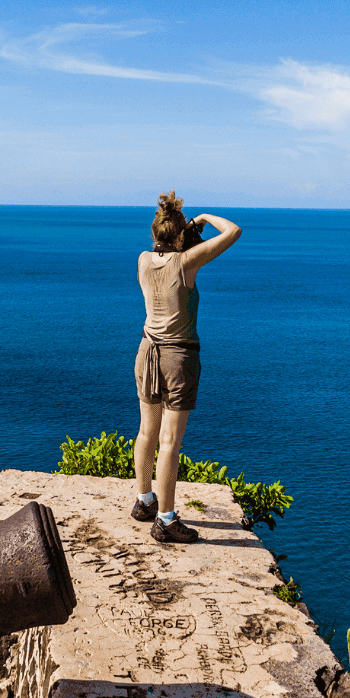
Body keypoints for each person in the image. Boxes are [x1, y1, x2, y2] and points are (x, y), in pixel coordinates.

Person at [130, 191, 241, 543]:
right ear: (180, 233)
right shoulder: (187, 262)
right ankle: (165, 520)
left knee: (146, 432)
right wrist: (203, 218)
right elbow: (233, 231)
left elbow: (164, 254)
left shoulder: (143, 260)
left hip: (147, 351)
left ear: (154, 232)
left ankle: (144, 501)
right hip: (178, 358)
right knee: (169, 442)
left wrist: (181, 233)